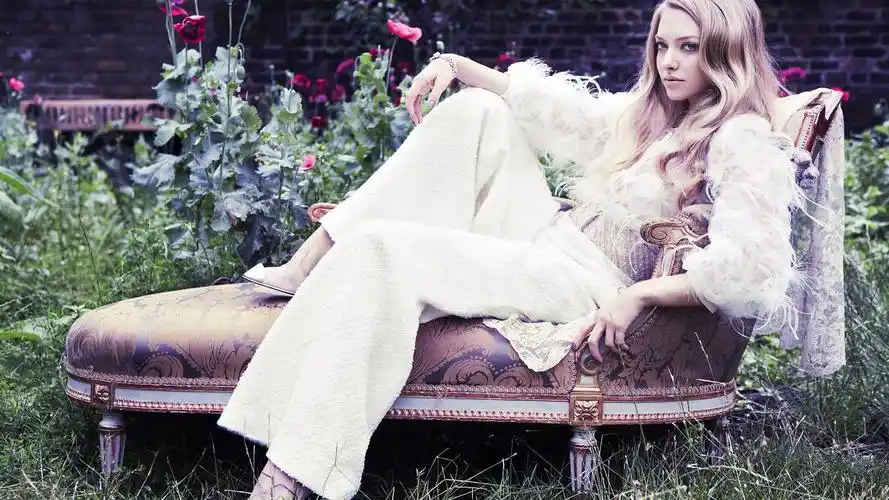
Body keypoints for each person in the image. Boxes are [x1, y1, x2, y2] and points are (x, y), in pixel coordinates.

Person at [222, 0, 810, 498]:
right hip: (554, 237)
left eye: (689, 48)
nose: (669, 62)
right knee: (477, 108)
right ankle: (313, 257)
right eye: (662, 45)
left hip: (586, 283)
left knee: (382, 247)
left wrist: (641, 295)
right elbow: (563, 112)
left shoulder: (740, 138)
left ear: (726, 53)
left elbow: (751, 268)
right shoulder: (655, 117)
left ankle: (291, 476)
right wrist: (454, 65)